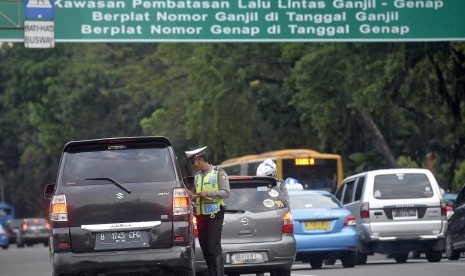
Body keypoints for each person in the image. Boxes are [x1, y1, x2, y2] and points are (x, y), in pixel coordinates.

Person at [185, 146, 230, 276]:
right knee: (205, 249)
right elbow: (198, 195)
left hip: (214, 214)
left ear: (200, 159)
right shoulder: (197, 176)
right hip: (201, 216)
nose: (193, 165)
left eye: (193, 162)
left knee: (213, 248)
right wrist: (191, 195)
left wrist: (208, 193)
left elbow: (226, 192)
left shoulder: (218, 172)